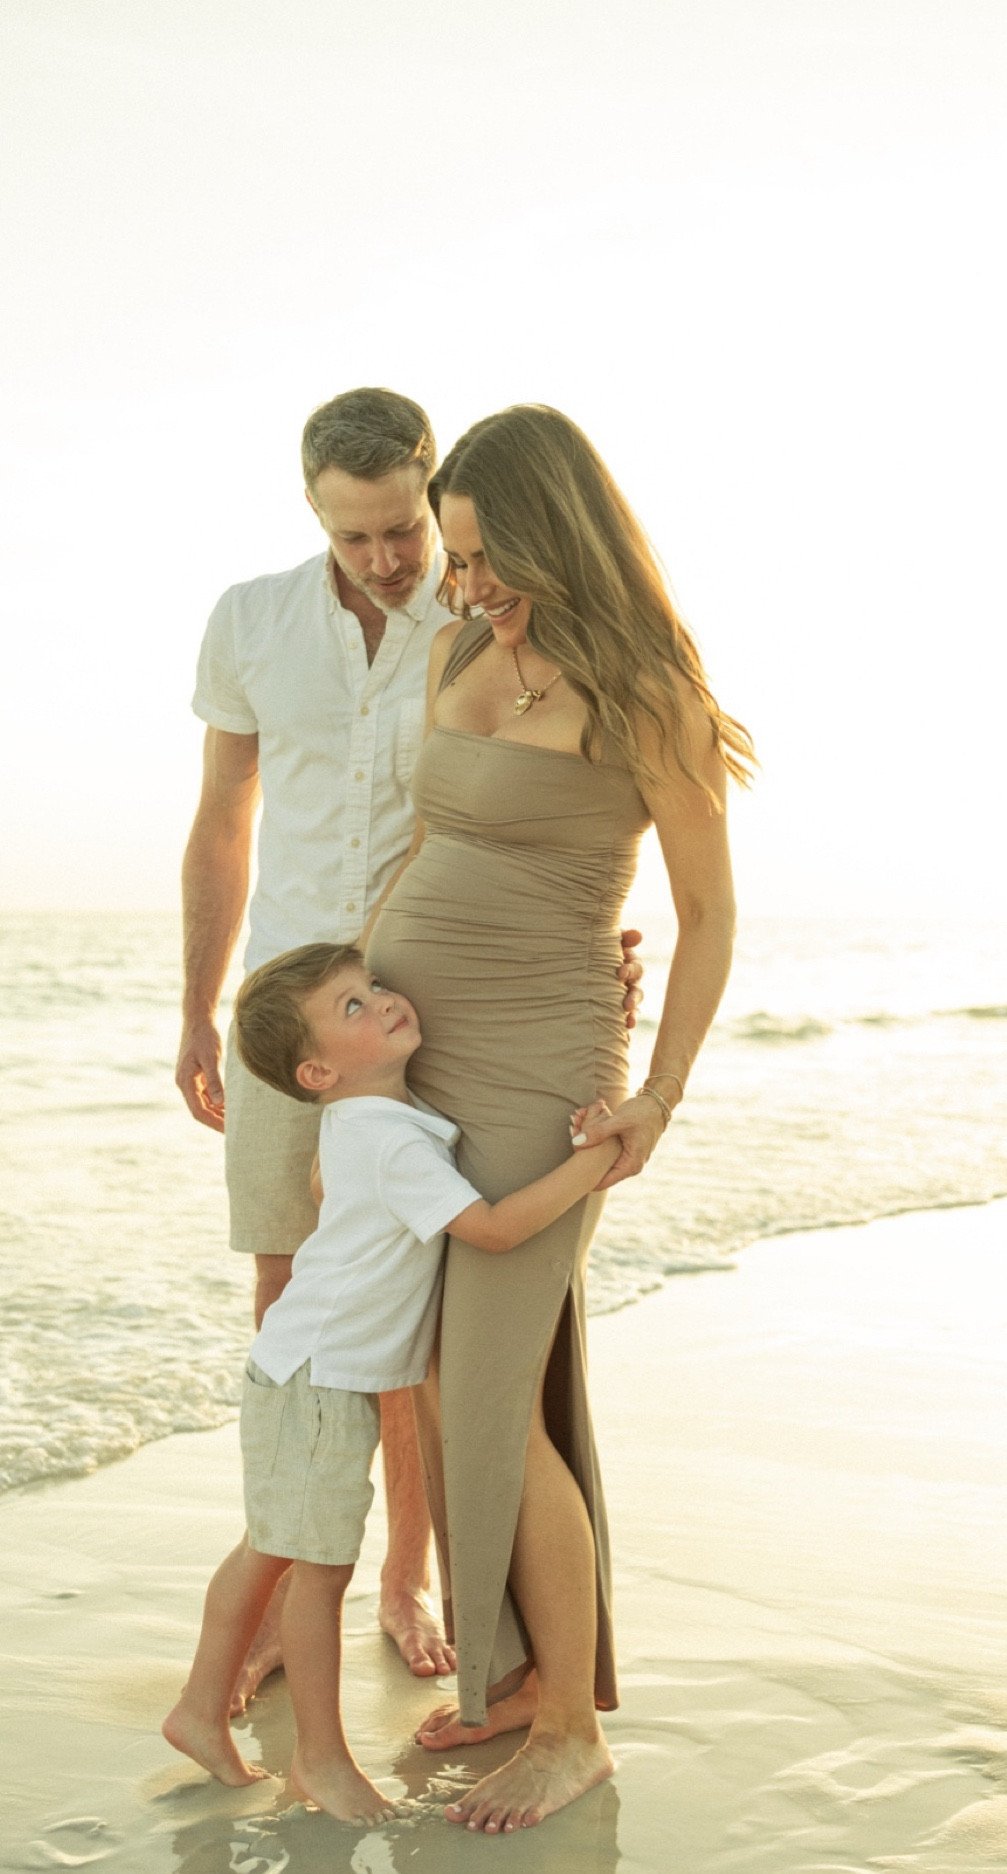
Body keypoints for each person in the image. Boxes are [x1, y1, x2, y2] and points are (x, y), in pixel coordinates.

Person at [176, 388, 641, 1708]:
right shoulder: (250, 623)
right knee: (298, 1311)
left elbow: (555, 799)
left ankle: (404, 1579)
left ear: (430, 497)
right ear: (311, 510)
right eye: (355, 533)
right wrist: (195, 1006)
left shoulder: (486, 616)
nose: (386, 559)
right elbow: (221, 821)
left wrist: (584, 945)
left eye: (401, 530)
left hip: (435, 1008)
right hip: (293, 1013)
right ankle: (282, 1584)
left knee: (428, 1321)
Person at [365, 403, 755, 1834]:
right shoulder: (465, 647)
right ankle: (525, 1671)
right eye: (451, 559)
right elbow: (424, 842)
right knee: (469, 1379)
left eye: (478, 555)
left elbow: (707, 916)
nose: (459, 584)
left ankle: (573, 1729)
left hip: (545, 1073)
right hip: (416, 1063)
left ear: (547, 529)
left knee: (480, 1401)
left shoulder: (647, 688)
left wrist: (655, 1096)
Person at [162, 942, 619, 1822]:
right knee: (317, 1571)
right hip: (322, 1384)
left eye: (372, 988)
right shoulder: (388, 1144)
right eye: (352, 1008)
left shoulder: (370, 1123)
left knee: (269, 1548)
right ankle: (321, 1762)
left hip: (302, 1369)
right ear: (318, 1069)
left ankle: (195, 1710)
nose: (383, 1002)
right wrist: (597, 1160)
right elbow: (488, 1230)